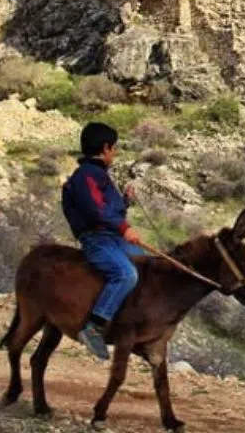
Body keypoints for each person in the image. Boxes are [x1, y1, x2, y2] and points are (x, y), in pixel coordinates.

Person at [61, 121, 145, 360]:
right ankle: (94, 327)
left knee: (149, 263)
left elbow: (108, 209)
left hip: (111, 237)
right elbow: (97, 211)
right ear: (106, 148)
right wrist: (124, 228)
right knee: (126, 274)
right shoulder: (86, 176)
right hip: (97, 239)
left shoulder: (97, 175)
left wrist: (125, 201)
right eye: (114, 148)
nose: (115, 153)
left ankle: (129, 320)